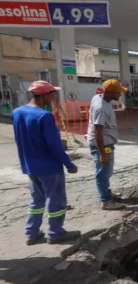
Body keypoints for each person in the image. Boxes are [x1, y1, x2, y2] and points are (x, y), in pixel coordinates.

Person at [12, 81, 81, 245]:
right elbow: (55, 144)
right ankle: (55, 233)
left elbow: (19, 139)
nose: (53, 97)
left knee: (37, 200)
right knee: (56, 199)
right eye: (51, 94)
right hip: (49, 167)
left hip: (30, 166)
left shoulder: (17, 112)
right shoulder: (44, 116)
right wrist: (68, 164)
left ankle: (31, 233)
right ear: (43, 95)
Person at [87, 79, 127, 210]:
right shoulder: (101, 107)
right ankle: (106, 201)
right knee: (102, 172)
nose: (120, 95)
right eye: (118, 92)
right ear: (110, 92)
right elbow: (98, 131)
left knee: (107, 171)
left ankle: (107, 192)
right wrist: (102, 153)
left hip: (106, 143)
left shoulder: (99, 98)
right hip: (102, 145)